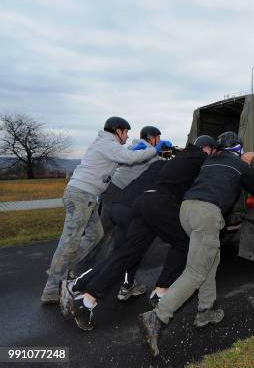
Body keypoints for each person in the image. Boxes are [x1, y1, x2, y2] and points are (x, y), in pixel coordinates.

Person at [60, 135, 218, 330]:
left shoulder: (176, 159)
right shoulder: (200, 157)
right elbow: (215, 168)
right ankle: (161, 292)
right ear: (208, 149)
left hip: (141, 203)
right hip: (159, 204)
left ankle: (87, 300)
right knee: (184, 242)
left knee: (127, 253)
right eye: (213, 151)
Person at [138, 131, 254, 357]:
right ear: (238, 149)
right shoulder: (239, 163)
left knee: (211, 259)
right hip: (207, 213)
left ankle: (205, 311)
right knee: (196, 271)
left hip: (186, 209)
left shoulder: (210, 160)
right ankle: (158, 316)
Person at [41, 117, 164, 304]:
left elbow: (124, 157)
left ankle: (66, 269)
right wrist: (153, 150)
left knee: (96, 234)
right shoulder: (107, 142)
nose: (127, 136)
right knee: (69, 242)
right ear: (118, 131)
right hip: (81, 194)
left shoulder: (108, 144)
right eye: (126, 132)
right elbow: (128, 158)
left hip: (88, 196)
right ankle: (52, 289)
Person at [74, 126, 168, 300]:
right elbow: (149, 160)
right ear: (152, 138)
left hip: (118, 194)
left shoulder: (144, 150)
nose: (160, 141)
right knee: (105, 236)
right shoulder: (144, 150)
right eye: (158, 138)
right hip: (117, 194)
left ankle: (120, 281)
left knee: (116, 237)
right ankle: (81, 271)